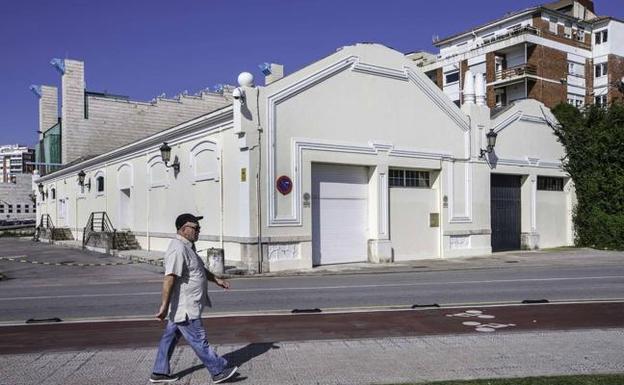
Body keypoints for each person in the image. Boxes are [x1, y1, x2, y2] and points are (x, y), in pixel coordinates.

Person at [150, 213, 238, 384]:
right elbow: (169, 278)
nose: (199, 231)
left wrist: (217, 280)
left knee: (169, 337)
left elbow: (199, 270)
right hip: (186, 307)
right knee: (198, 339)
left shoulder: (188, 247)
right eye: (195, 228)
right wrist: (163, 306)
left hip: (183, 307)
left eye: (199, 228)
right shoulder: (178, 248)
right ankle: (218, 371)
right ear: (183, 229)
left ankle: (159, 372)